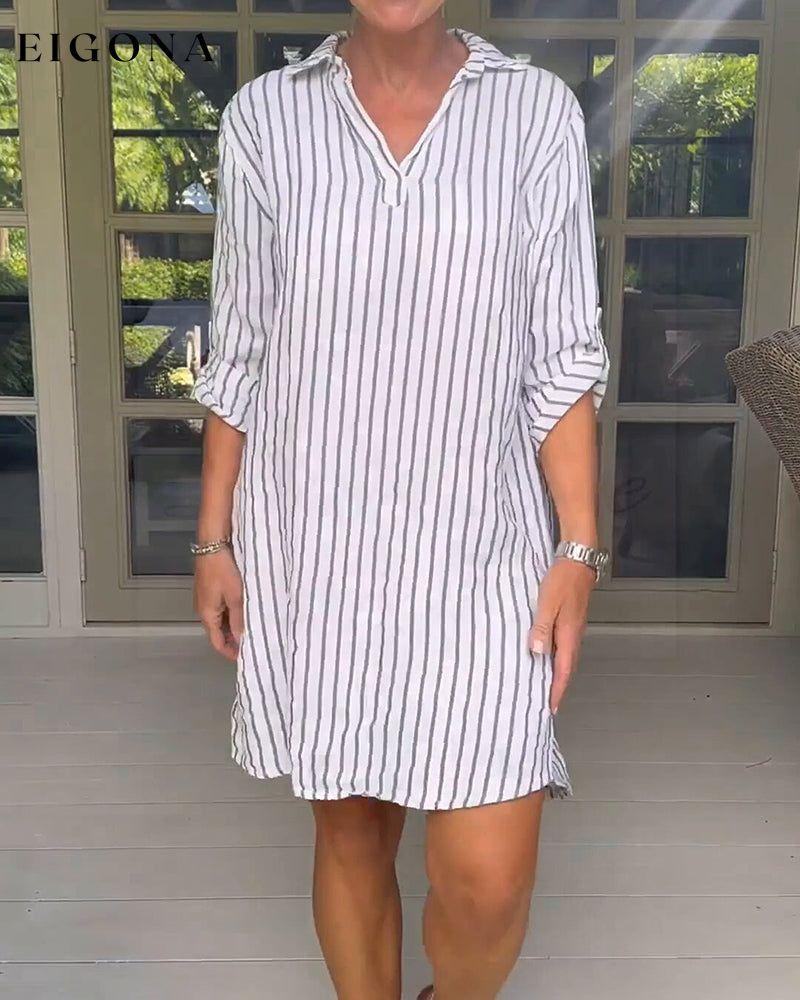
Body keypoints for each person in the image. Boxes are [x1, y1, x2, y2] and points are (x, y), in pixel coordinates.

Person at [192, 4, 610, 997]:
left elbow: (561, 355)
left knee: (488, 883)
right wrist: (214, 540)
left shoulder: (533, 113)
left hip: (480, 549)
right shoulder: (267, 119)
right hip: (315, 545)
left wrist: (578, 545)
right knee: (351, 833)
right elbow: (240, 349)